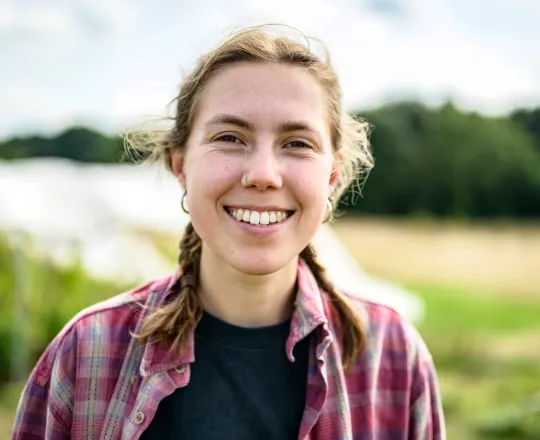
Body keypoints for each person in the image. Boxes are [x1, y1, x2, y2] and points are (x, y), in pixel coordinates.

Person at [12, 25, 445, 440]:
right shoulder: (86, 353)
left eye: (297, 143)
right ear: (181, 165)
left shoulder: (392, 355)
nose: (263, 175)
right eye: (230, 137)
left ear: (332, 176)